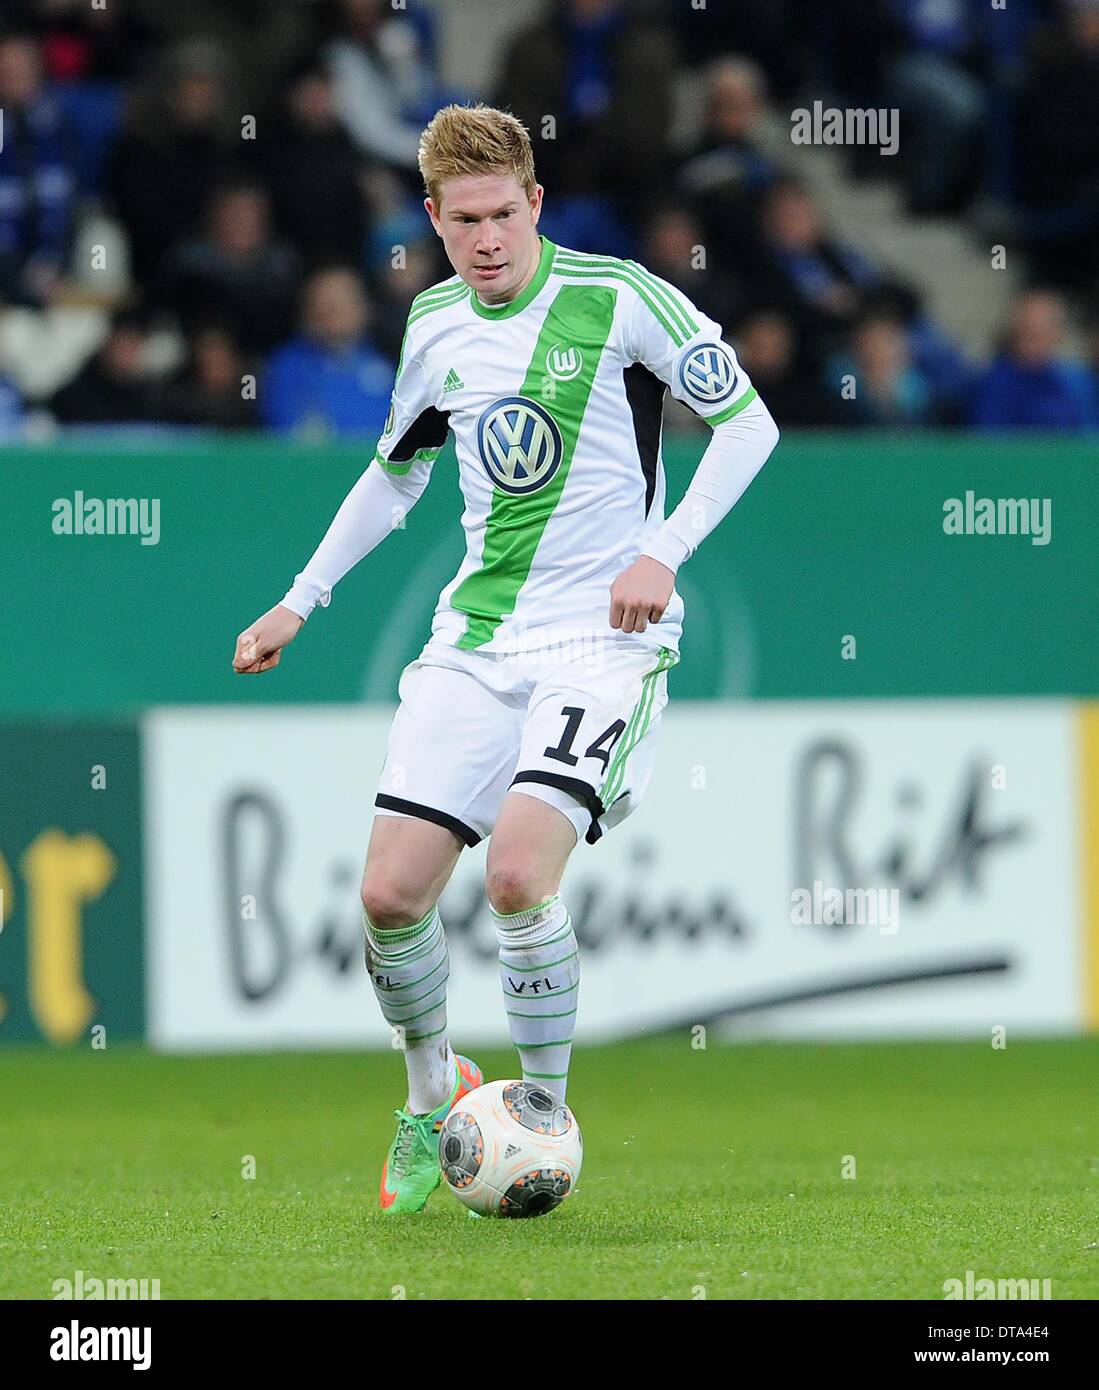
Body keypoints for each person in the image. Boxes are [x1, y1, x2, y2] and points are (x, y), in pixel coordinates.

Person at [231, 104, 779, 1214]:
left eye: (503, 214)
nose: (486, 238)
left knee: (518, 874)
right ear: (433, 219)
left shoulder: (621, 297)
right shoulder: (433, 323)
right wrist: (300, 599)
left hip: (603, 639)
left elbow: (751, 423)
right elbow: (395, 474)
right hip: (476, 641)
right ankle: (435, 1097)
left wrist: (661, 552)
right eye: (462, 220)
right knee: (388, 896)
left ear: (535, 202)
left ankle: (540, 1115)